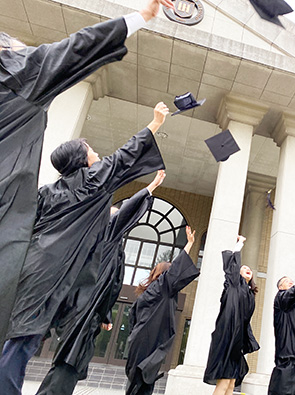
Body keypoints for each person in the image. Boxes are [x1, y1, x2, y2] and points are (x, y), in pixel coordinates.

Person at [0, 0, 175, 348]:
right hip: (44, 274)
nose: (25, 49)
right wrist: (155, 125)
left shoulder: (48, 193)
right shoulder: (16, 74)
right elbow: (77, 47)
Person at [0, 102, 168, 395]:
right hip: (52, 273)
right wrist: (155, 123)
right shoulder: (93, 183)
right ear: (82, 159)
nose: (97, 153)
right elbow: (124, 155)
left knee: (22, 337)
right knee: (20, 342)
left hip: (35, 268)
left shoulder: (46, 193)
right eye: (90, 149)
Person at [35, 170, 166, 395]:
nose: (118, 219)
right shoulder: (103, 238)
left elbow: (112, 285)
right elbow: (124, 213)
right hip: (82, 309)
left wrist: (105, 315)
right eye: (114, 216)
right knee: (70, 361)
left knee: (74, 361)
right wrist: (149, 188)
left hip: (91, 311)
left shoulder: (115, 250)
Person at [126, 226, 200, 395]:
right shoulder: (163, 288)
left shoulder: (146, 294)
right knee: (142, 385)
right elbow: (175, 270)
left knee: (135, 385)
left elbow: (132, 318)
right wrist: (188, 245)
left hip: (138, 341)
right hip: (150, 343)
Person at [204, 236, 260, 395]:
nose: (247, 268)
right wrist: (240, 243)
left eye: (249, 269)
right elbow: (231, 265)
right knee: (223, 382)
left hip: (237, 341)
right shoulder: (234, 284)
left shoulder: (249, 294)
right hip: (227, 337)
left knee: (231, 382)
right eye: (243, 267)